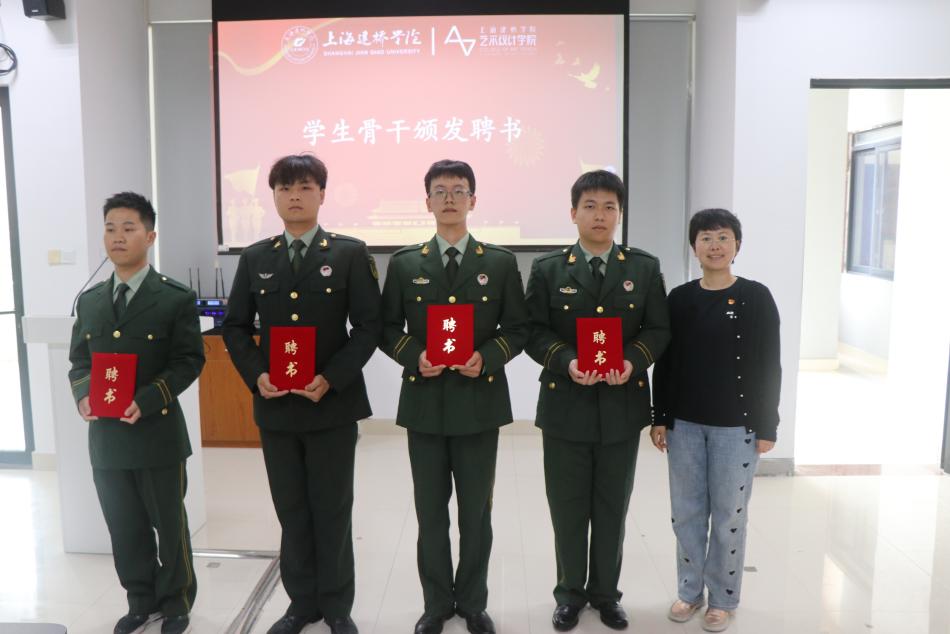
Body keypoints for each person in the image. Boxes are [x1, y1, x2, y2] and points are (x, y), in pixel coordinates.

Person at [222, 154, 381, 634]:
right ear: (272, 196)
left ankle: (337, 607)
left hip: (331, 406)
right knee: (291, 510)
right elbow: (235, 327)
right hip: (277, 408)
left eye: (305, 187)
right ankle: (300, 605)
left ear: (322, 195)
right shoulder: (255, 257)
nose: (295, 196)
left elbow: (369, 326)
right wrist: (257, 375)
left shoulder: (349, 254)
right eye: (285, 188)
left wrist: (332, 377)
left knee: (332, 509)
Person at [380, 159, 528, 634]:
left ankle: (474, 602)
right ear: (427, 202)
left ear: (473, 200)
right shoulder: (405, 263)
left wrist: (487, 357)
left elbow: (518, 328)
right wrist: (414, 355)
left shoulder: (499, 262)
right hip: (424, 404)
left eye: (458, 190)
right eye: (440, 191)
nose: (449, 198)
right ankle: (436, 603)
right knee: (430, 513)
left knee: (475, 513)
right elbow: (386, 328)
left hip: (479, 404)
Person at [524, 170, 670, 631]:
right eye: (590, 206)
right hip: (565, 406)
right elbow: (533, 331)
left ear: (620, 214)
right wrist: (566, 360)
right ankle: (569, 594)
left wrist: (632, 361)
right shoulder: (549, 269)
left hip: (621, 408)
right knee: (567, 509)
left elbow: (658, 329)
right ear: (573, 213)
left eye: (609, 207)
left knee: (612, 508)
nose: (600, 215)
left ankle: (606, 595)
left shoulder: (642, 268)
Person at [68, 191, 205, 634]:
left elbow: (188, 361)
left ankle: (177, 602)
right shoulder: (90, 301)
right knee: (124, 527)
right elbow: (79, 361)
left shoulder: (174, 298)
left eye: (129, 228)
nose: (118, 237)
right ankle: (140, 600)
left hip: (157, 434)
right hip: (107, 439)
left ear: (150, 236)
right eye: (110, 228)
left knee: (169, 524)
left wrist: (145, 400)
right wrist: (84, 395)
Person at [650, 208, 781, 633]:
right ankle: (689, 592)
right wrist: (659, 417)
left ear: (737, 245)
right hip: (685, 426)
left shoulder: (756, 297)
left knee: (729, 516)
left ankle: (723, 598)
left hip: (736, 428)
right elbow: (665, 364)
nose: (715, 246)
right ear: (694, 247)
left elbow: (769, 364)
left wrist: (767, 425)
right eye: (706, 238)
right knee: (686, 513)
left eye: (723, 237)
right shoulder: (680, 299)